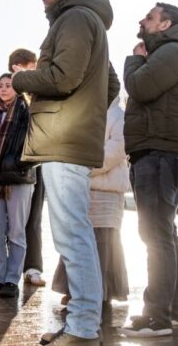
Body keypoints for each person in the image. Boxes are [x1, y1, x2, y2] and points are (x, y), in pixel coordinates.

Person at [11, 0, 116, 346]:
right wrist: (88, 115)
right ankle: (80, 326)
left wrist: (20, 78)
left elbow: (61, 78)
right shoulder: (88, 21)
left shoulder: (73, 19)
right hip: (71, 136)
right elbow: (110, 83)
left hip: (63, 140)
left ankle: (84, 331)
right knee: (75, 234)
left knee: (73, 235)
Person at [121, 3, 178, 338]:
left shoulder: (172, 52)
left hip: (160, 151)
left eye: (150, 18)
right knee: (164, 232)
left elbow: (138, 87)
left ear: (165, 23)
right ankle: (174, 311)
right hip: (158, 150)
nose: (142, 20)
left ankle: (158, 317)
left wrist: (134, 60)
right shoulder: (170, 52)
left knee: (155, 234)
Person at [52, 94, 130, 317]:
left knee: (103, 241)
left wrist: (83, 167)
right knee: (78, 237)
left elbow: (116, 151)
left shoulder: (118, 116)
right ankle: (75, 290)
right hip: (81, 187)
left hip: (106, 191)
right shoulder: (85, 112)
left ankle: (101, 292)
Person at [0, 73, 36, 299]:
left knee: (16, 232)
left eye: (9, 85)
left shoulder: (28, 112)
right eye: (1, 85)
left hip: (19, 179)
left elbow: (36, 144)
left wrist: (17, 164)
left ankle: (12, 280)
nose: (4, 89)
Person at [8, 48, 46, 288]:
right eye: (33, 69)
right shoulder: (4, 91)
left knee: (33, 217)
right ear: (18, 68)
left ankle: (32, 267)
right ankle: (5, 268)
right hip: (8, 164)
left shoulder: (37, 92)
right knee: (7, 220)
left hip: (36, 163)